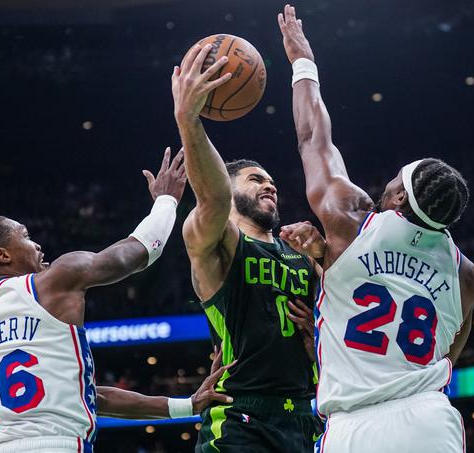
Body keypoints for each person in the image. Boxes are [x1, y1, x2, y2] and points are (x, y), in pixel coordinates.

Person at [278, 5, 474, 452]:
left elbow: (313, 138)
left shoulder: (351, 220)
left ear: (400, 198)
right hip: (429, 417)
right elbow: (445, 356)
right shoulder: (465, 275)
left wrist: (301, 61)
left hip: (354, 424)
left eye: (393, 181)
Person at [0, 149, 233, 453]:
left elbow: (85, 396)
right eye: (25, 236)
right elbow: (138, 253)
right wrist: (167, 201)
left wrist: (188, 405)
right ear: (2, 255)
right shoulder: (52, 281)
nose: (37, 244)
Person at [171, 43, 323, 452]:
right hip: (240, 415)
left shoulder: (304, 253)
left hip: (307, 414)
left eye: (271, 180)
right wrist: (189, 119)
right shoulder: (217, 242)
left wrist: (320, 335)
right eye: (255, 179)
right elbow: (215, 200)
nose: (269, 184)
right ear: (230, 185)